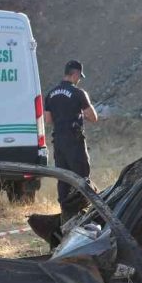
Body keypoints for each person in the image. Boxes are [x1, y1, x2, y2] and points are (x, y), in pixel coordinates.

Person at [45, 60, 98, 218]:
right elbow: (93, 117)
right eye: (79, 77)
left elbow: (48, 120)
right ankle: (82, 212)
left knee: (63, 178)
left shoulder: (51, 93)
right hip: (74, 141)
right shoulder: (79, 93)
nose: (79, 79)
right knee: (82, 177)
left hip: (59, 142)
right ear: (74, 74)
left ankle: (65, 213)